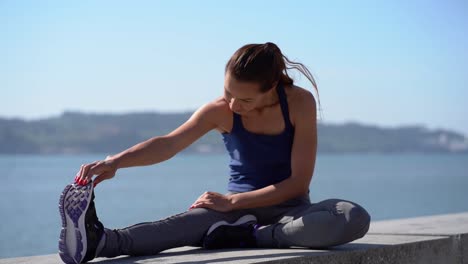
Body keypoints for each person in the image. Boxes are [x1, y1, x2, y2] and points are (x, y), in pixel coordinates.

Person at [58, 42, 371, 264]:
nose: (233, 105)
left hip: (289, 211)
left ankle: (253, 236)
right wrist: (116, 162)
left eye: (245, 100)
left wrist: (233, 201)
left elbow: (298, 184)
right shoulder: (220, 111)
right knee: (178, 227)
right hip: (231, 215)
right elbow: (169, 143)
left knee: (352, 217)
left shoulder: (300, 103)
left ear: (272, 86)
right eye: (228, 92)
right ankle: (96, 242)